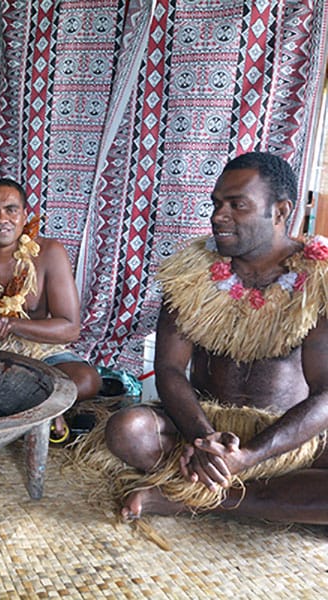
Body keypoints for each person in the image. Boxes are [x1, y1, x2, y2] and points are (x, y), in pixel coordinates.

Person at [101, 151, 328, 525]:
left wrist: (250, 456)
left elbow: (324, 393)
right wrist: (204, 439)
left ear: (282, 212)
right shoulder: (191, 273)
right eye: (217, 203)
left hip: (286, 439)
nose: (218, 216)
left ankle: (190, 500)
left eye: (237, 205)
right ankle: (254, 495)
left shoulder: (318, 282)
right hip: (199, 428)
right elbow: (170, 369)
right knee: (129, 431)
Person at [0, 178, 101, 437]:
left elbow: (70, 329)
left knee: (87, 380)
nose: (1, 218)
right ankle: (39, 405)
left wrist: (10, 324)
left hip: (39, 351)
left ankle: (17, 402)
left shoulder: (49, 252)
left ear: (24, 216)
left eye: (11, 209)